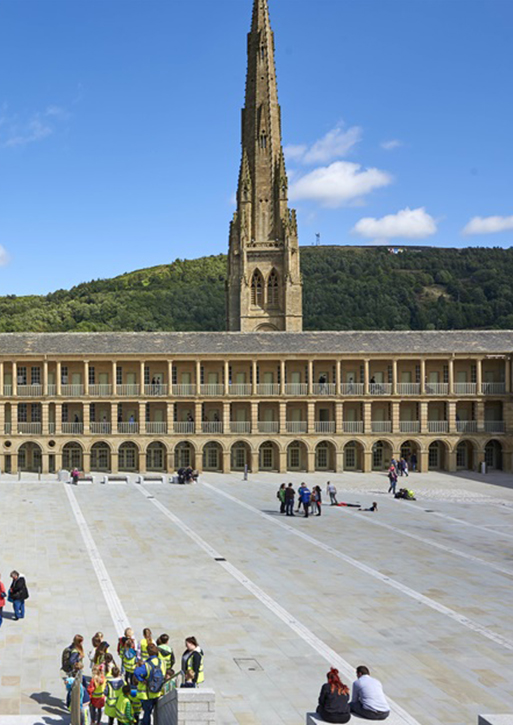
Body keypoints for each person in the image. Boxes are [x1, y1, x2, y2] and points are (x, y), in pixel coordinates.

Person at [134, 643, 166, 724]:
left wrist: (142, 680)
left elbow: (136, 672)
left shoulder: (147, 665)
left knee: (147, 713)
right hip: (158, 692)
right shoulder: (162, 663)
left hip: (148, 694)